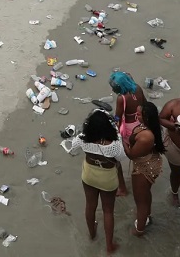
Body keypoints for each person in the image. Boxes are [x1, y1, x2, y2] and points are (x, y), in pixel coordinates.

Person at [69, 108, 124, 252]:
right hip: (107, 178)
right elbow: (121, 158)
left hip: (89, 175)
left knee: (90, 205)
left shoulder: (82, 138)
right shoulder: (113, 144)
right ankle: (109, 246)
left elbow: (73, 149)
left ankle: (92, 234)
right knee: (108, 211)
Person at [123, 101, 165, 237]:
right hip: (150, 161)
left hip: (144, 167)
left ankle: (139, 230)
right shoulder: (148, 127)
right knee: (145, 194)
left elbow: (131, 154)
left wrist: (121, 141)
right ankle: (147, 216)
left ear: (146, 117)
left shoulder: (147, 136)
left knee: (140, 201)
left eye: (139, 114)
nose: (136, 115)